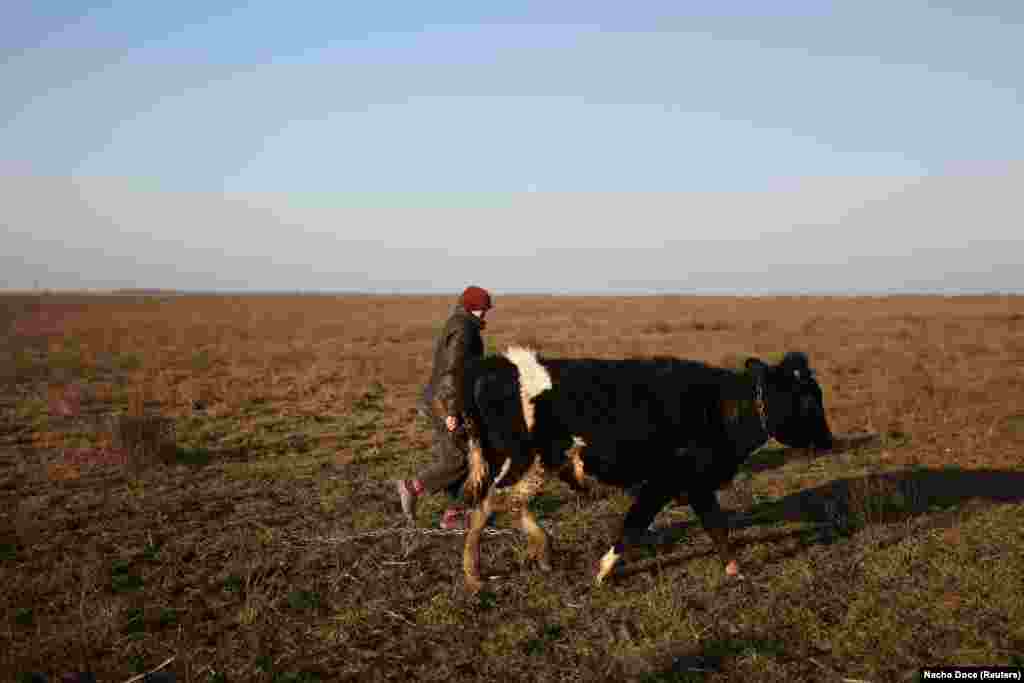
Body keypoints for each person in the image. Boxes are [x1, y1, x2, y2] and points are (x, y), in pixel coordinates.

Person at [394, 285, 493, 529]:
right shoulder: (463, 329)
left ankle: (454, 514)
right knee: (463, 458)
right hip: (445, 403)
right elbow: (452, 371)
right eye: (483, 309)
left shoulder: (460, 324)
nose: (486, 313)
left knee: (458, 456)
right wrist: (451, 412)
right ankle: (412, 488)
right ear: (473, 308)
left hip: (444, 401)